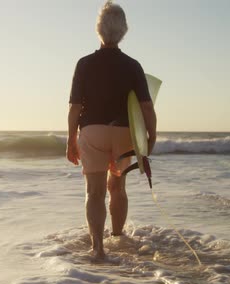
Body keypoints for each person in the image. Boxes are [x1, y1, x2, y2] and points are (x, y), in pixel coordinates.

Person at [66, 1, 157, 259]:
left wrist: (71, 138)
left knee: (94, 191)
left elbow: (74, 108)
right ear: (123, 31)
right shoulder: (133, 65)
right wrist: (152, 135)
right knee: (117, 188)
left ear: (99, 30)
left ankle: (98, 249)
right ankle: (118, 237)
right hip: (123, 133)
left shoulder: (84, 64)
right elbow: (146, 107)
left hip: (92, 132)